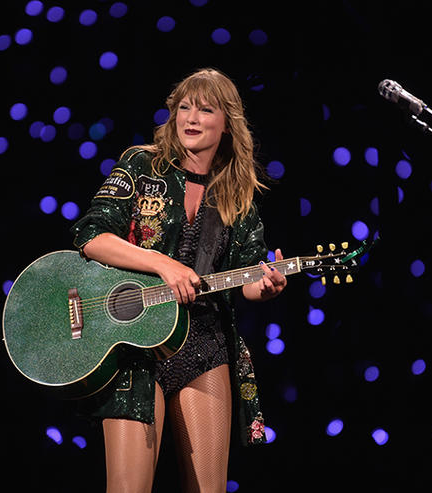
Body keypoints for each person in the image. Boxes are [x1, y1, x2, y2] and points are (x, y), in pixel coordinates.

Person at [70, 67, 287, 493]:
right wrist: (161, 264)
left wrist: (265, 286)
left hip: (203, 342)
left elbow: (247, 276)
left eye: (205, 110)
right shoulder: (141, 165)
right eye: (184, 107)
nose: (191, 117)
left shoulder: (237, 193)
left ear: (227, 123)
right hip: (133, 342)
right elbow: (91, 236)